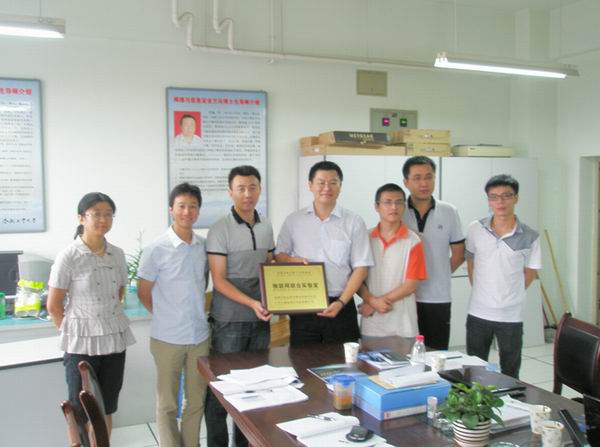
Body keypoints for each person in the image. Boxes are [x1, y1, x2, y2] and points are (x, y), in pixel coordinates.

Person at [47, 192, 135, 437]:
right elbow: (54, 306)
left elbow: (118, 293)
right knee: (79, 410)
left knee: (106, 407)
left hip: (113, 340)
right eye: (96, 214)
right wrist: (73, 332)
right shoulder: (69, 256)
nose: (103, 219)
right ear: (81, 218)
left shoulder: (117, 254)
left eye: (108, 214)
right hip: (80, 343)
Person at [205, 165, 274, 447]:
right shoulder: (219, 228)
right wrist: (252, 302)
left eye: (252, 187)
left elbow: (270, 268)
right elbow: (219, 281)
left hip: (260, 320)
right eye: (241, 188)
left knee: (253, 389)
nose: (247, 194)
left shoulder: (266, 225)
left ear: (260, 189)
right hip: (230, 321)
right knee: (222, 388)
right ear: (230, 192)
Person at [137, 182, 209, 447]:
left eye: (193, 206)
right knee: (167, 403)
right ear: (171, 209)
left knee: (196, 401)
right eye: (181, 206)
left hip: (199, 336)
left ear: (198, 211)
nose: (187, 212)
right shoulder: (156, 249)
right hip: (167, 338)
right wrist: (166, 315)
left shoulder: (203, 246)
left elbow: (203, 283)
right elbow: (143, 291)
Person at [275, 160, 373, 346]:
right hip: (303, 304)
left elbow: (361, 267)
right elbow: (279, 255)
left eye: (333, 182)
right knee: (303, 359)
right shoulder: (294, 220)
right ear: (310, 185)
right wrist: (292, 260)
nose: (327, 188)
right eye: (321, 182)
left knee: (344, 362)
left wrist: (341, 302)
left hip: (341, 304)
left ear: (340, 187)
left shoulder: (353, 221)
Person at [465, 174, 541, 379]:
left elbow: (531, 271)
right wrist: (481, 290)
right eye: (494, 197)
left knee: (510, 370)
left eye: (506, 196)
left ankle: (510, 398)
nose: (500, 202)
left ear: (516, 198)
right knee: (474, 368)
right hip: (478, 311)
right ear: (488, 200)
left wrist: (511, 293)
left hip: (511, 314)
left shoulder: (530, 236)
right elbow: (471, 262)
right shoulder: (475, 229)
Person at [402, 156, 465, 349]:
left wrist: (440, 273)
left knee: (437, 352)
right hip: (404, 297)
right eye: (417, 178)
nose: (424, 183)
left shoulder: (449, 211)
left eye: (429, 177)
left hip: (438, 297)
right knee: (405, 352)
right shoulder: (398, 211)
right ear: (406, 182)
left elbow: (459, 254)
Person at [358, 183, 427, 338]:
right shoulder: (365, 238)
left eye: (398, 202)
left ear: (404, 206)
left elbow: (410, 285)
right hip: (371, 323)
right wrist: (371, 300)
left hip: (403, 324)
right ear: (377, 206)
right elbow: (356, 279)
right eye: (388, 202)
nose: (393, 207)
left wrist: (375, 303)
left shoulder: (413, 241)